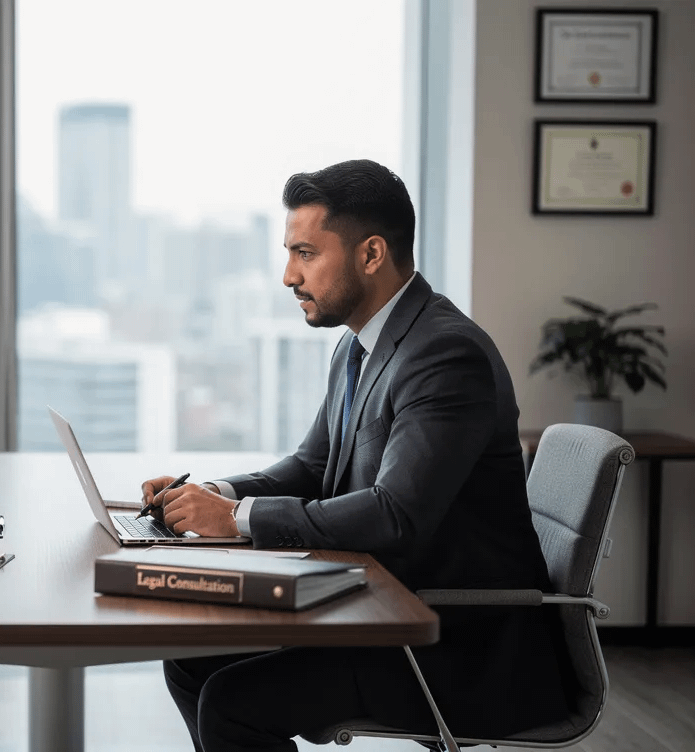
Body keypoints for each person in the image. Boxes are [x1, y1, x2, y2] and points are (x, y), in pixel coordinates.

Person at [140, 160, 570, 751]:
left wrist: (236, 520)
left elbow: (395, 514)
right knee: (191, 661)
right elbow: (313, 467)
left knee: (232, 702)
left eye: (306, 253)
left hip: (456, 646)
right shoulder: (359, 344)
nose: (289, 275)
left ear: (371, 254)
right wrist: (215, 496)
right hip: (380, 608)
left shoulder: (446, 353)